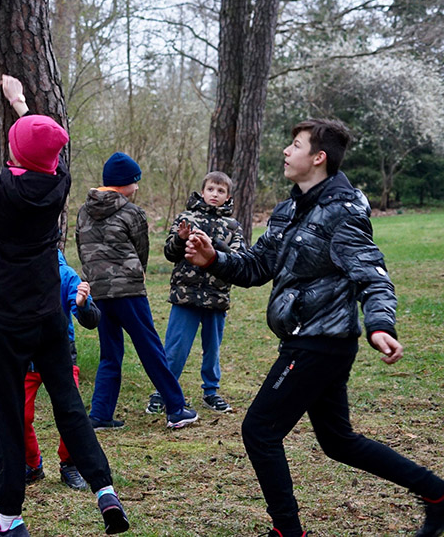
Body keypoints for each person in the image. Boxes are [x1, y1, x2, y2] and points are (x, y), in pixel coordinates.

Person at [185, 119, 444, 537]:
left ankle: (288, 532)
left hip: (321, 341)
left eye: (295, 145)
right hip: (307, 337)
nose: (286, 152)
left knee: (259, 431)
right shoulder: (289, 209)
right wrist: (214, 259)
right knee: (338, 441)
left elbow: (373, 274)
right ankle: (437, 495)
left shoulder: (343, 212)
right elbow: (257, 266)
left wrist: (379, 323)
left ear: (318, 158)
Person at [0, 76, 128, 536]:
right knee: (68, 404)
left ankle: (8, 519)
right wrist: (20, 104)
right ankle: (104, 489)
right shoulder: (59, 182)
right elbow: (44, 150)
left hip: (7, 324)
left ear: (13, 154)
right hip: (50, 317)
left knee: (7, 418)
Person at [76, 152, 198, 430]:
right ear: (123, 183)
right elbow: (141, 250)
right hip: (129, 293)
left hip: (99, 292)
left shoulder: (84, 211)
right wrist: (138, 273)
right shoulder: (132, 212)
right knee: (150, 348)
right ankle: (177, 409)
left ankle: (100, 414)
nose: (138, 188)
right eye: (135, 182)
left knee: (110, 353)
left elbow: (81, 247)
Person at [0, 250, 102, 492]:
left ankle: (70, 464)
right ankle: (32, 465)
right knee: (20, 415)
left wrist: (83, 305)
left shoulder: (65, 275)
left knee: (71, 415)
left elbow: (91, 320)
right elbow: (1, 322)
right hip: (25, 360)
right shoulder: (10, 275)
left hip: (60, 358)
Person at [146, 171, 244, 416]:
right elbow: (170, 253)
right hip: (185, 295)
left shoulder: (233, 226)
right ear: (203, 192)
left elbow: (239, 260)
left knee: (213, 347)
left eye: (221, 191)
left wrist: (215, 247)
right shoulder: (185, 218)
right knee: (176, 347)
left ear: (228, 196)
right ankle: (163, 391)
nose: (215, 194)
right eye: (211, 189)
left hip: (217, 295)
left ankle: (211, 392)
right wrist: (181, 239)